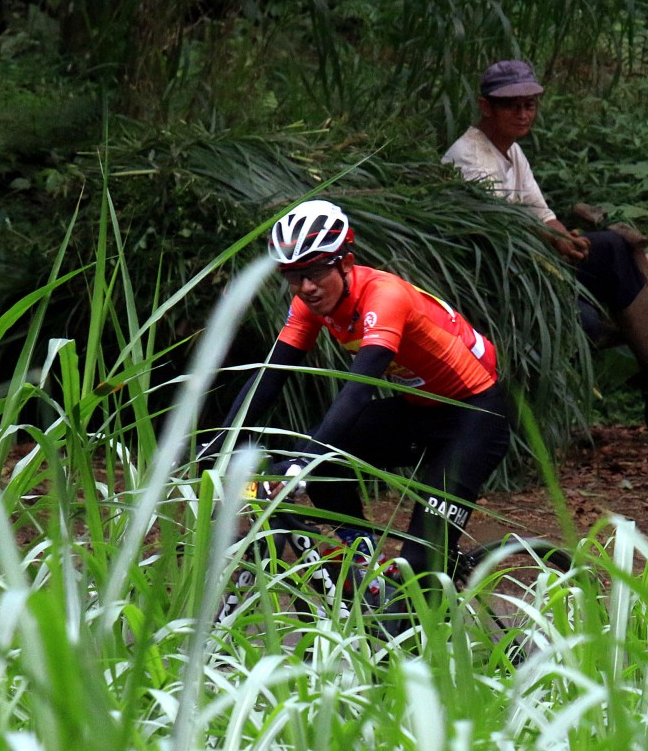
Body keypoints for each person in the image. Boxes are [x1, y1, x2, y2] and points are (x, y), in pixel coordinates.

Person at [199, 198, 511, 581]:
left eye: (316, 271)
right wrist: (219, 442)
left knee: (418, 566)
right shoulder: (309, 304)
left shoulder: (385, 297)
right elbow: (271, 376)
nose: (306, 287)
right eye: (294, 276)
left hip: (476, 416)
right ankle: (362, 561)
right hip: (420, 411)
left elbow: (358, 391)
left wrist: (301, 465)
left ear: (345, 262)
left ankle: (423, 602)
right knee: (322, 457)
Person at [442, 58, 648, 435]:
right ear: (485, 107)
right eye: (511, 106)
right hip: (503, 276)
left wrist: (564, 237)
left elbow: (540, 213)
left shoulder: (511, 151)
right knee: (587, 312)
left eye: (529, 105)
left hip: (531, 261)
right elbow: (503, 231)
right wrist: (552, 240)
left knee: (612, 246)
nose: (523, 114)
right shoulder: (470, 157)